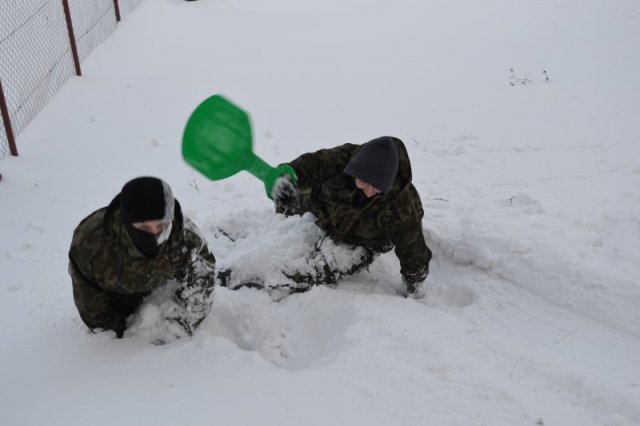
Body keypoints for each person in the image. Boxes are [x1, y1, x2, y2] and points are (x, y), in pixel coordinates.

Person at [220, 136, 431, 299]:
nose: (368, 191)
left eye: (376, 188)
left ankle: (261, 277)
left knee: (317, 269)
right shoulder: (345, 158)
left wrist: (414, 284)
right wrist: (288, 176)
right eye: (364, 182)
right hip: (324, 208)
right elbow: (312, 165)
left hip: (359, 241)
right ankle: (254, 238)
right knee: (287, 198)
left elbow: (414, 250)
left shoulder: (401, 207)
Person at [68, 176, 216, 339]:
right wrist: (116, 334)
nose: (155, 235)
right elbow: (91, 305)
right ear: (126, 222)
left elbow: (202, 275)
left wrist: (181, 323)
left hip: (164, 287)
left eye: (162, 226)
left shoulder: (185, 237)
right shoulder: (91, 245)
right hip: (117, 297)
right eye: (144, 228)